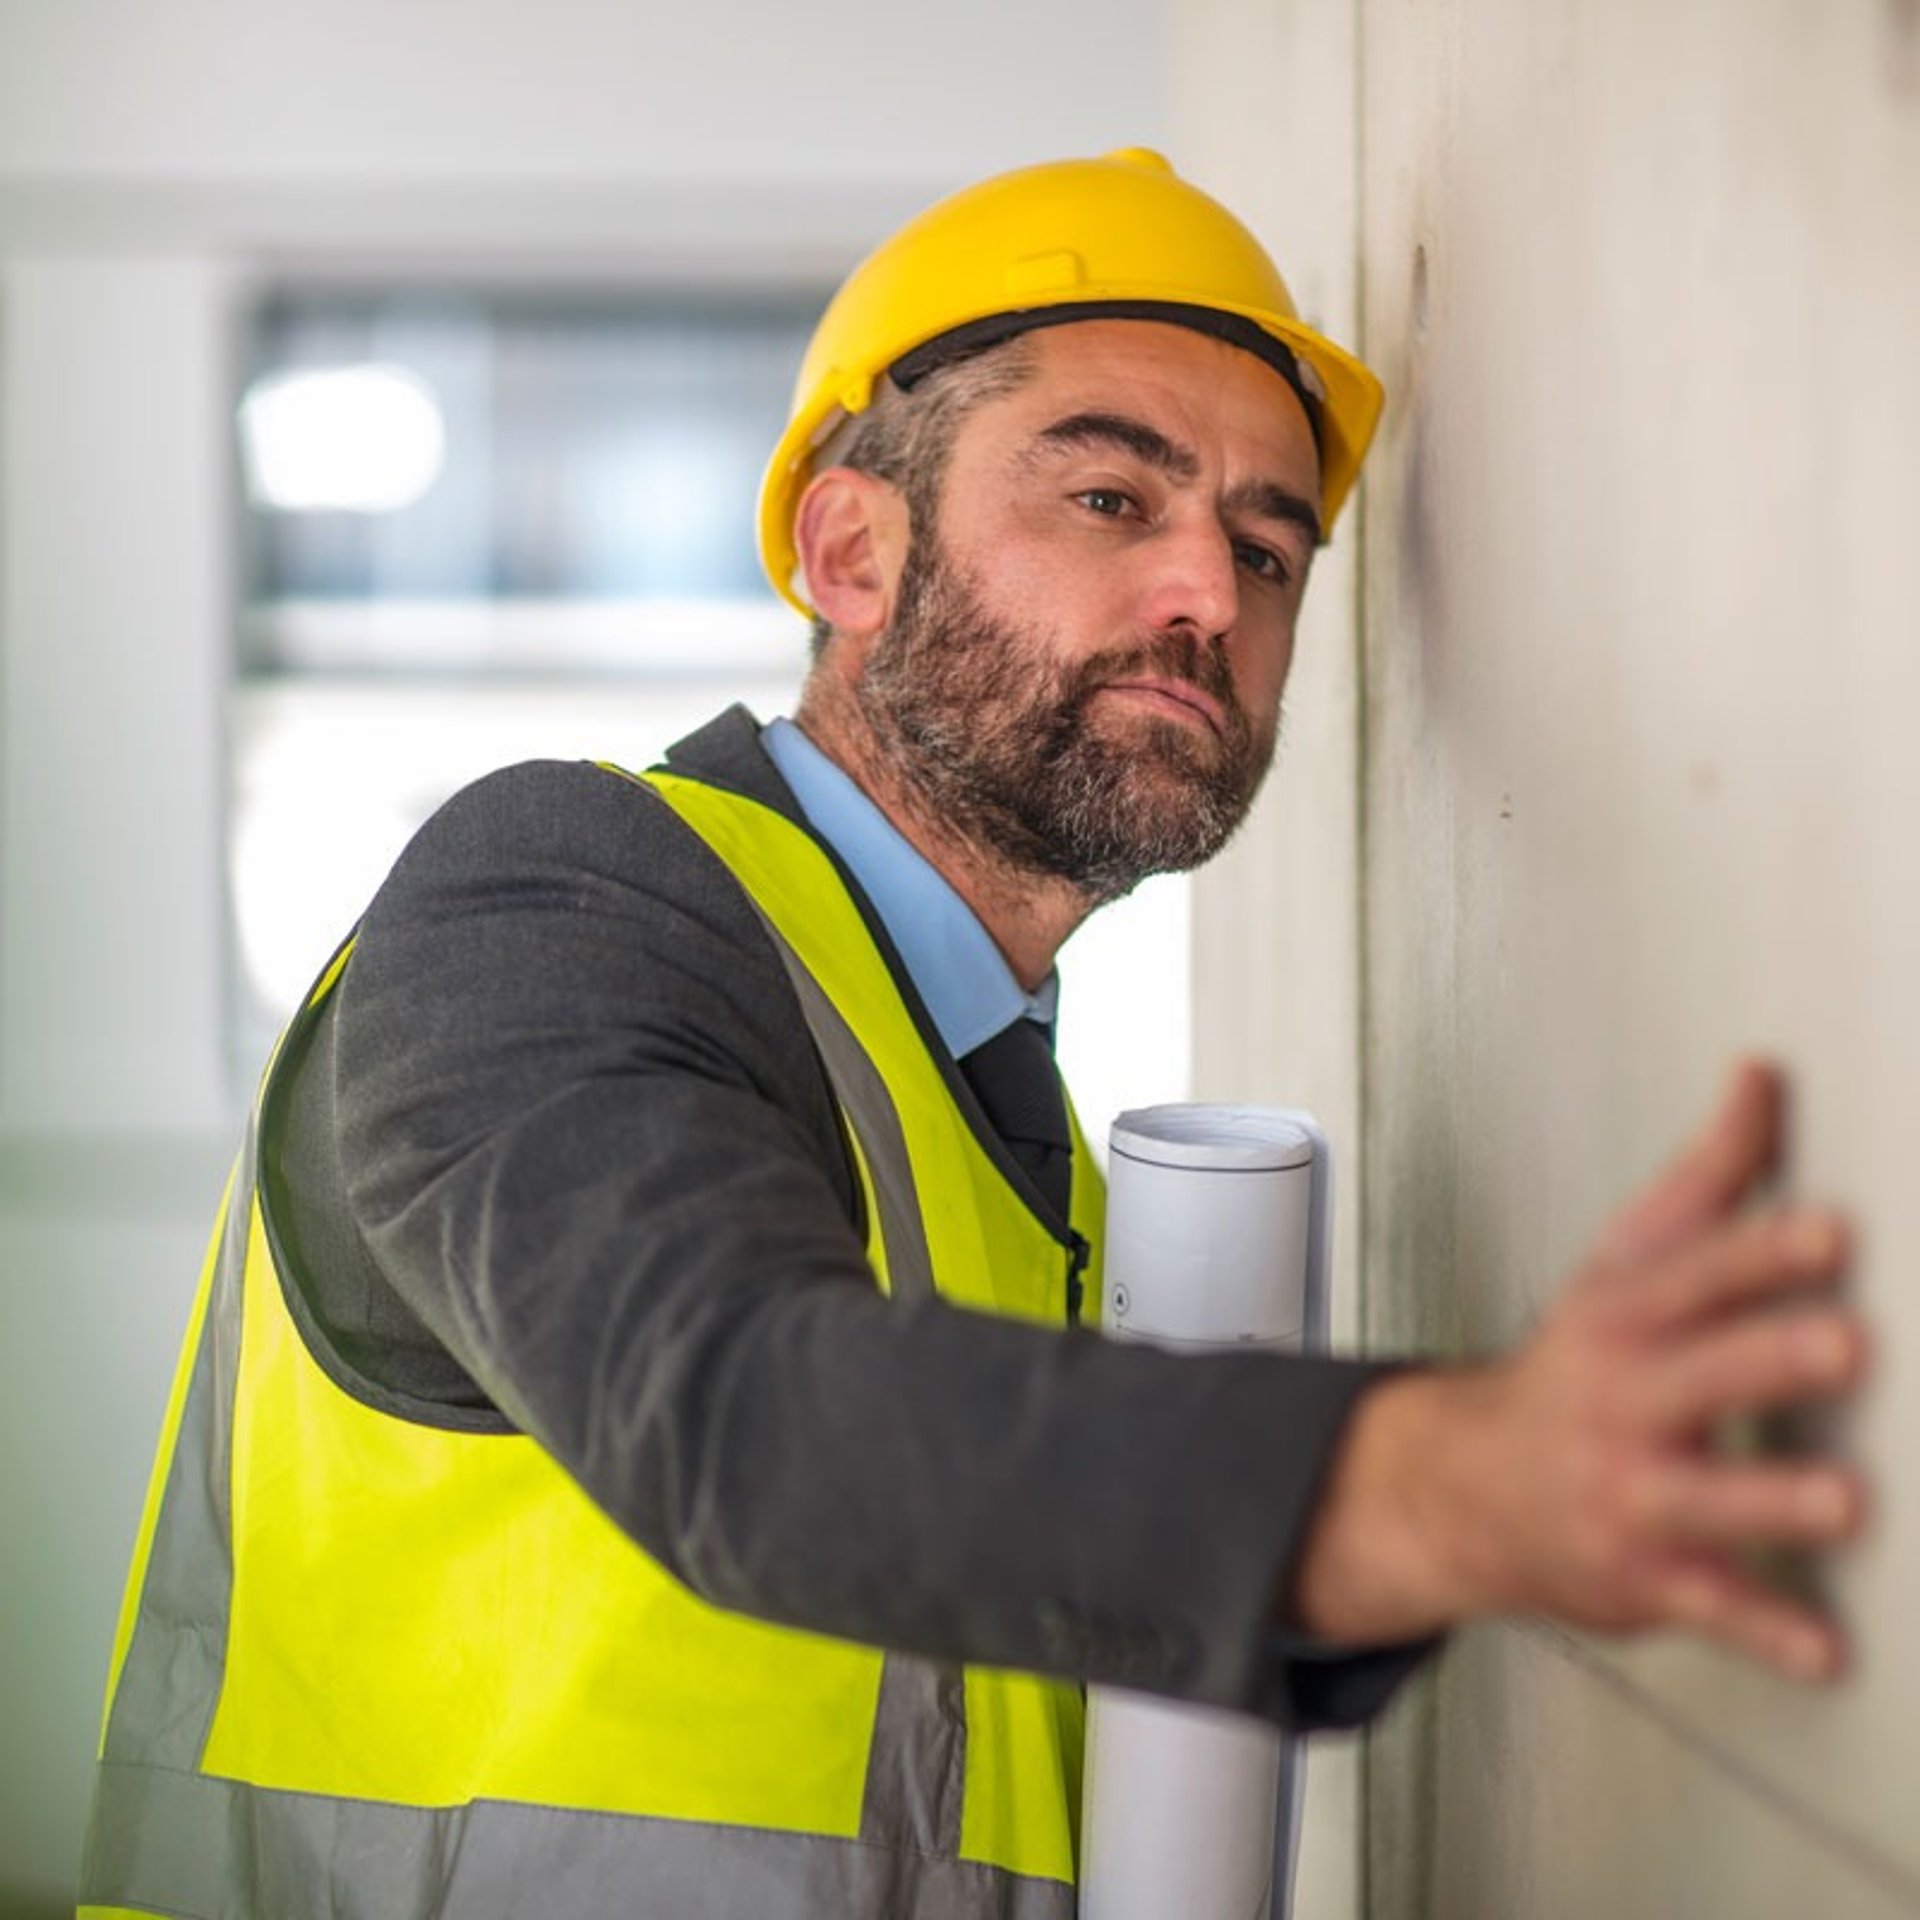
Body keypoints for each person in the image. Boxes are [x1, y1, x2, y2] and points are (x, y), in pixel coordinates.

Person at [79, 149, 1867, 1919]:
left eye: (1268, 546)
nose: (1208, 600)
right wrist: (1448, 1481)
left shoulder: (1018, 1158)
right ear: (851, 548)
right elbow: (736, 1408)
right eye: (1111, 499)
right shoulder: (556, 898)